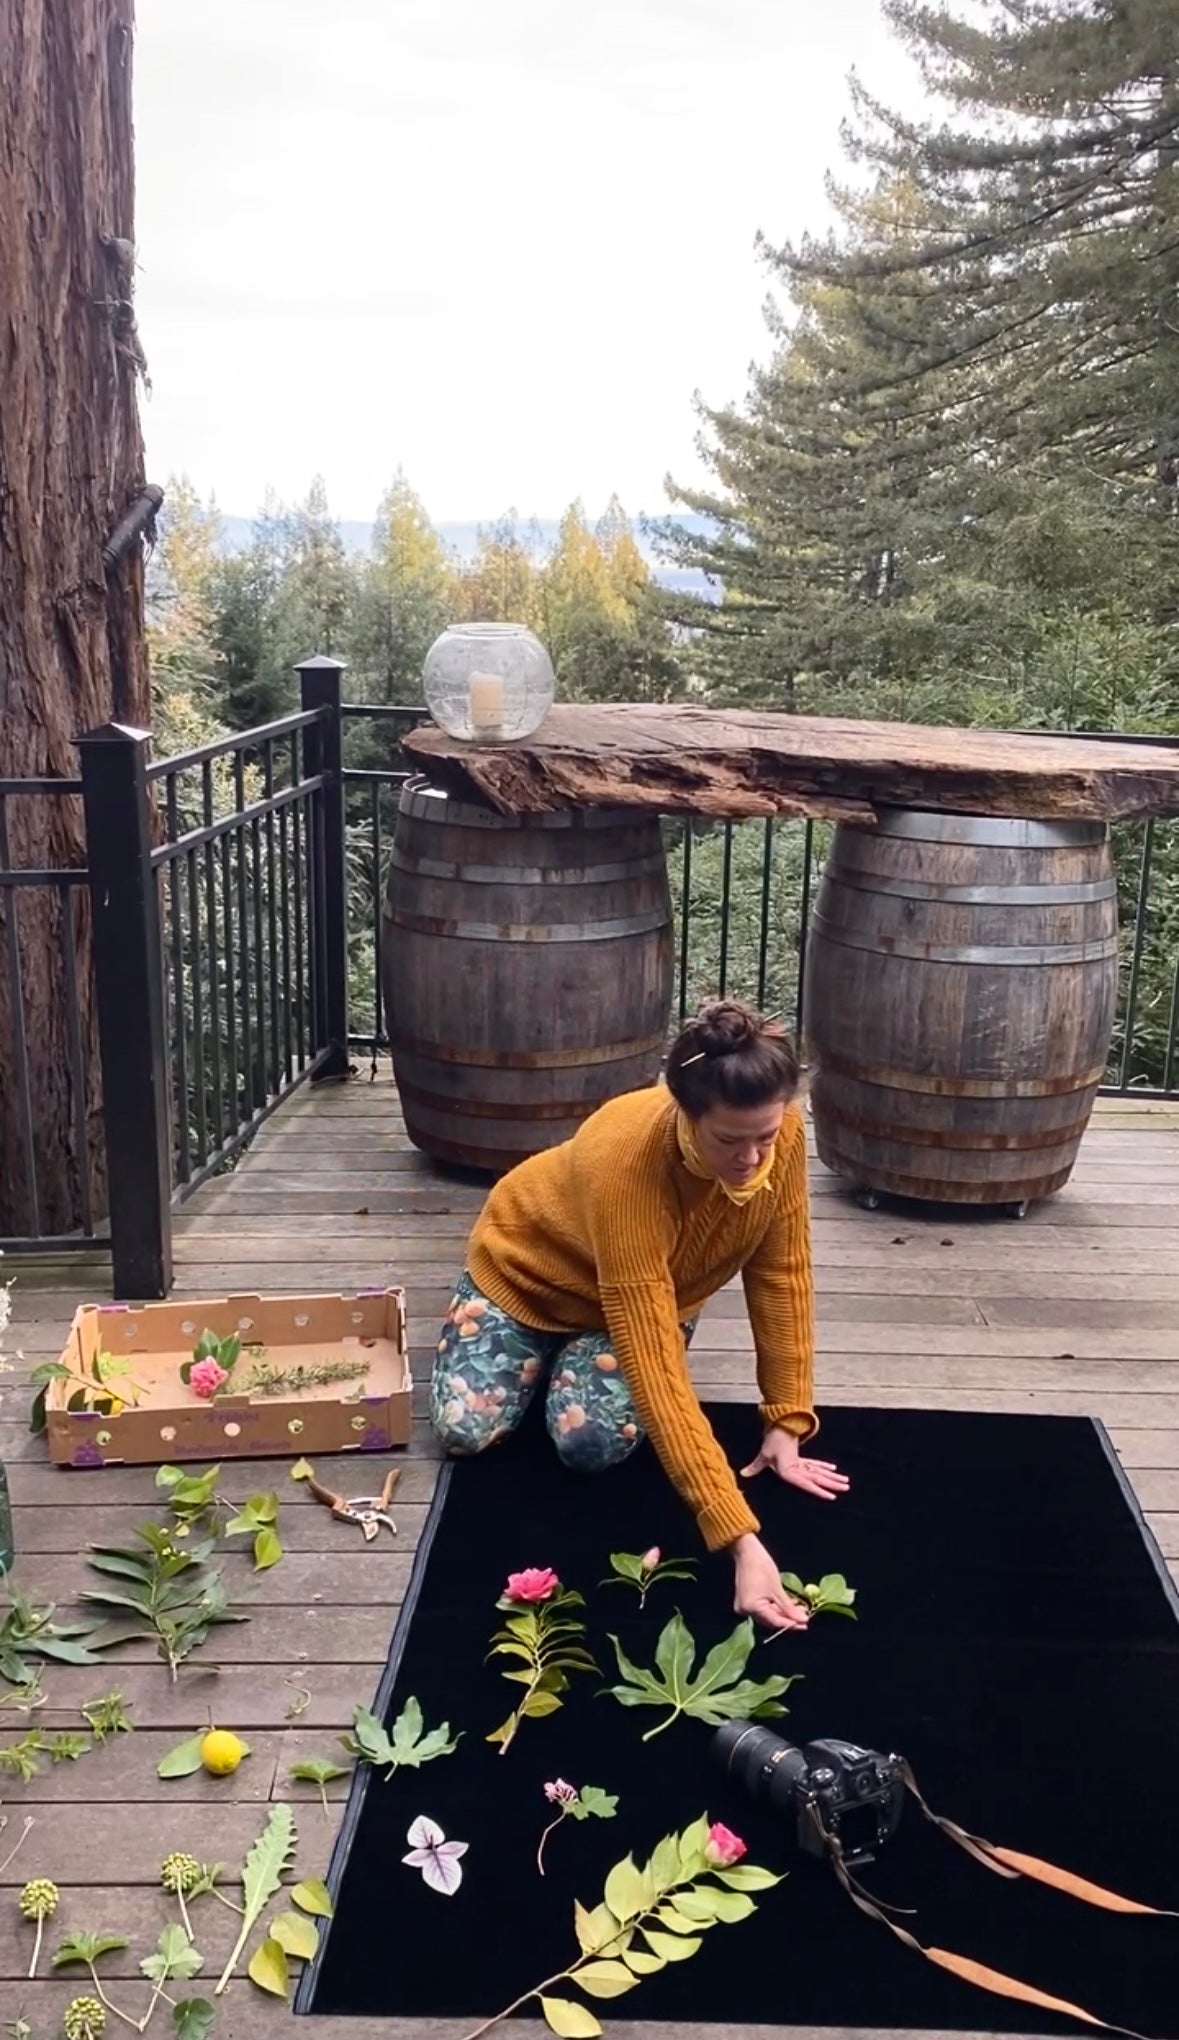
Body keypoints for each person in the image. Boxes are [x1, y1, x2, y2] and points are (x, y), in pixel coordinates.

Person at [430, 998, 849, 1631]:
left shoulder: (778, 1134)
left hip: (644, 1295)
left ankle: (570, 1361)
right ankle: (528, 1343)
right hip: (528, 1275)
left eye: (766, 1136)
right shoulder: (627, 1159)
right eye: (730, 1140)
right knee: (465, 1434)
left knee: (589, 1447)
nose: (754, 1158)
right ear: (685, 1112)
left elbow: (781, 1271)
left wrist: (786, 1420)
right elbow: (654, 1365)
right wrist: (739, 1536)